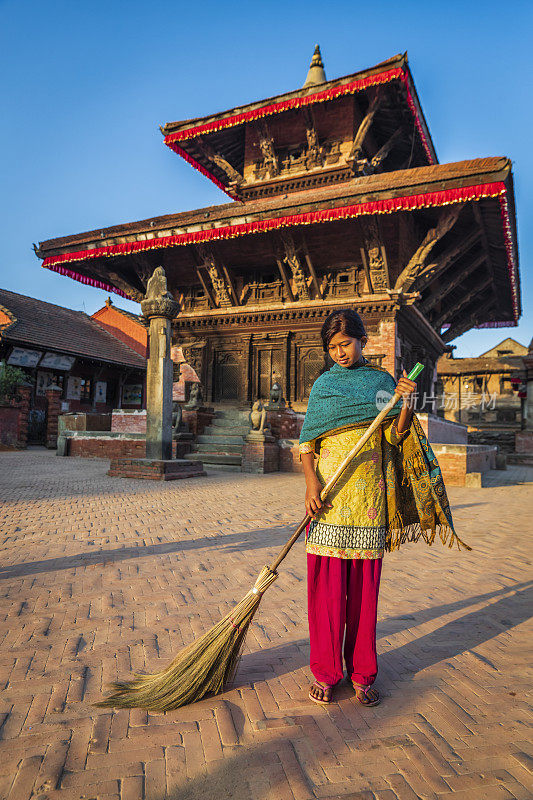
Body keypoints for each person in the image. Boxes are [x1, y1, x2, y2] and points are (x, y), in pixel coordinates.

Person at [299, 309, 464, 707]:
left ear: (362, 341)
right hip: (330, 498)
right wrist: (311, 483)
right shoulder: (323, 385)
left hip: (370, 498)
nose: (339, 352)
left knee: (362, 595)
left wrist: (405, 402)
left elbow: (397, 434)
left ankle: (361, 673)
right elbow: (306, 442)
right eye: (332, 347)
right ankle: (325, 671)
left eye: (346, 344)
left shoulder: (381, 383)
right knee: (325, 594)